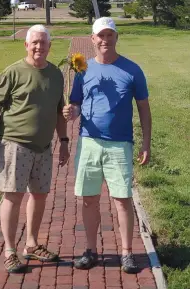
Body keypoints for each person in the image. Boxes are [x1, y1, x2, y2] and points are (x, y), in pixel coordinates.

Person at [63, 17, 151, 274]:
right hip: (89, 142)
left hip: (120, 145)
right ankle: (90, 250)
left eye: (109, 35)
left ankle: (127, 253)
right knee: (89, 199)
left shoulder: (132, 70)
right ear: (92, 39)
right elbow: (77, 104)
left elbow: (144, 109)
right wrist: (72, 112)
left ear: (116, 37)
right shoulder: (82, 71)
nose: (105, 40)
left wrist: (146, 142)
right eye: (100, 36)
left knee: (122, 199)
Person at [0, 24, 69, 273]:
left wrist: (63, 141)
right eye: (35, 43)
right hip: (14, 143)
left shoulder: (56, 74)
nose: (39, 47)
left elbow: (58, 110)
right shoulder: (12, 72)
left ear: (50, 46)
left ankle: (31, 244)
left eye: (43, 43)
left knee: (40, 195)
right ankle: (9, 250)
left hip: (43, 147)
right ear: (26, 45)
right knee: (13, 196)